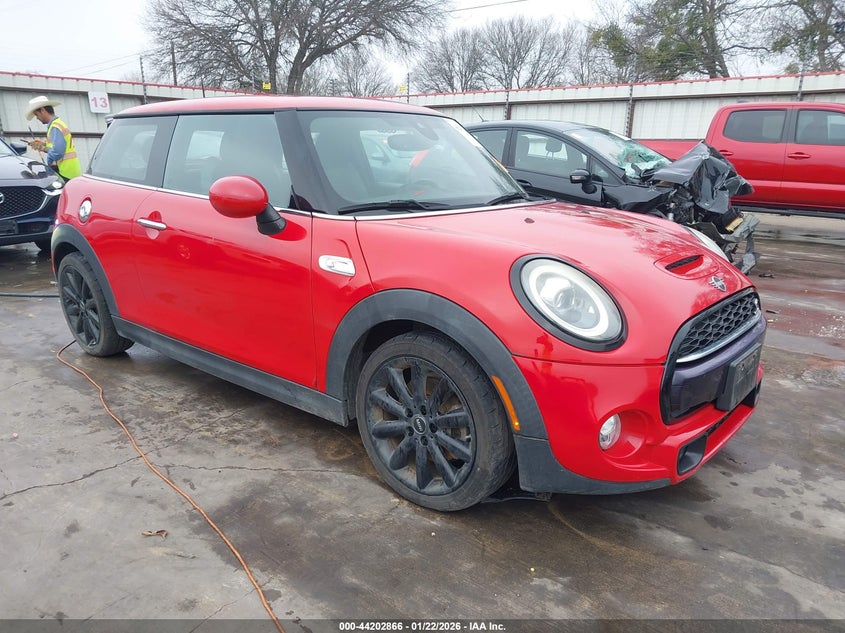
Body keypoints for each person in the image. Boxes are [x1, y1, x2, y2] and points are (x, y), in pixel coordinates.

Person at [24, 95, 82, 180]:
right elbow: (56, 146)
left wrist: (42, 148)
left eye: (37, 114)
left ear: (43, 110)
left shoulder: (55, 127)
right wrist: (43, 144)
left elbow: (57, 152)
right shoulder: (57, 124)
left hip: (65, 173)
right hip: (69, 171)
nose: (37, 118)